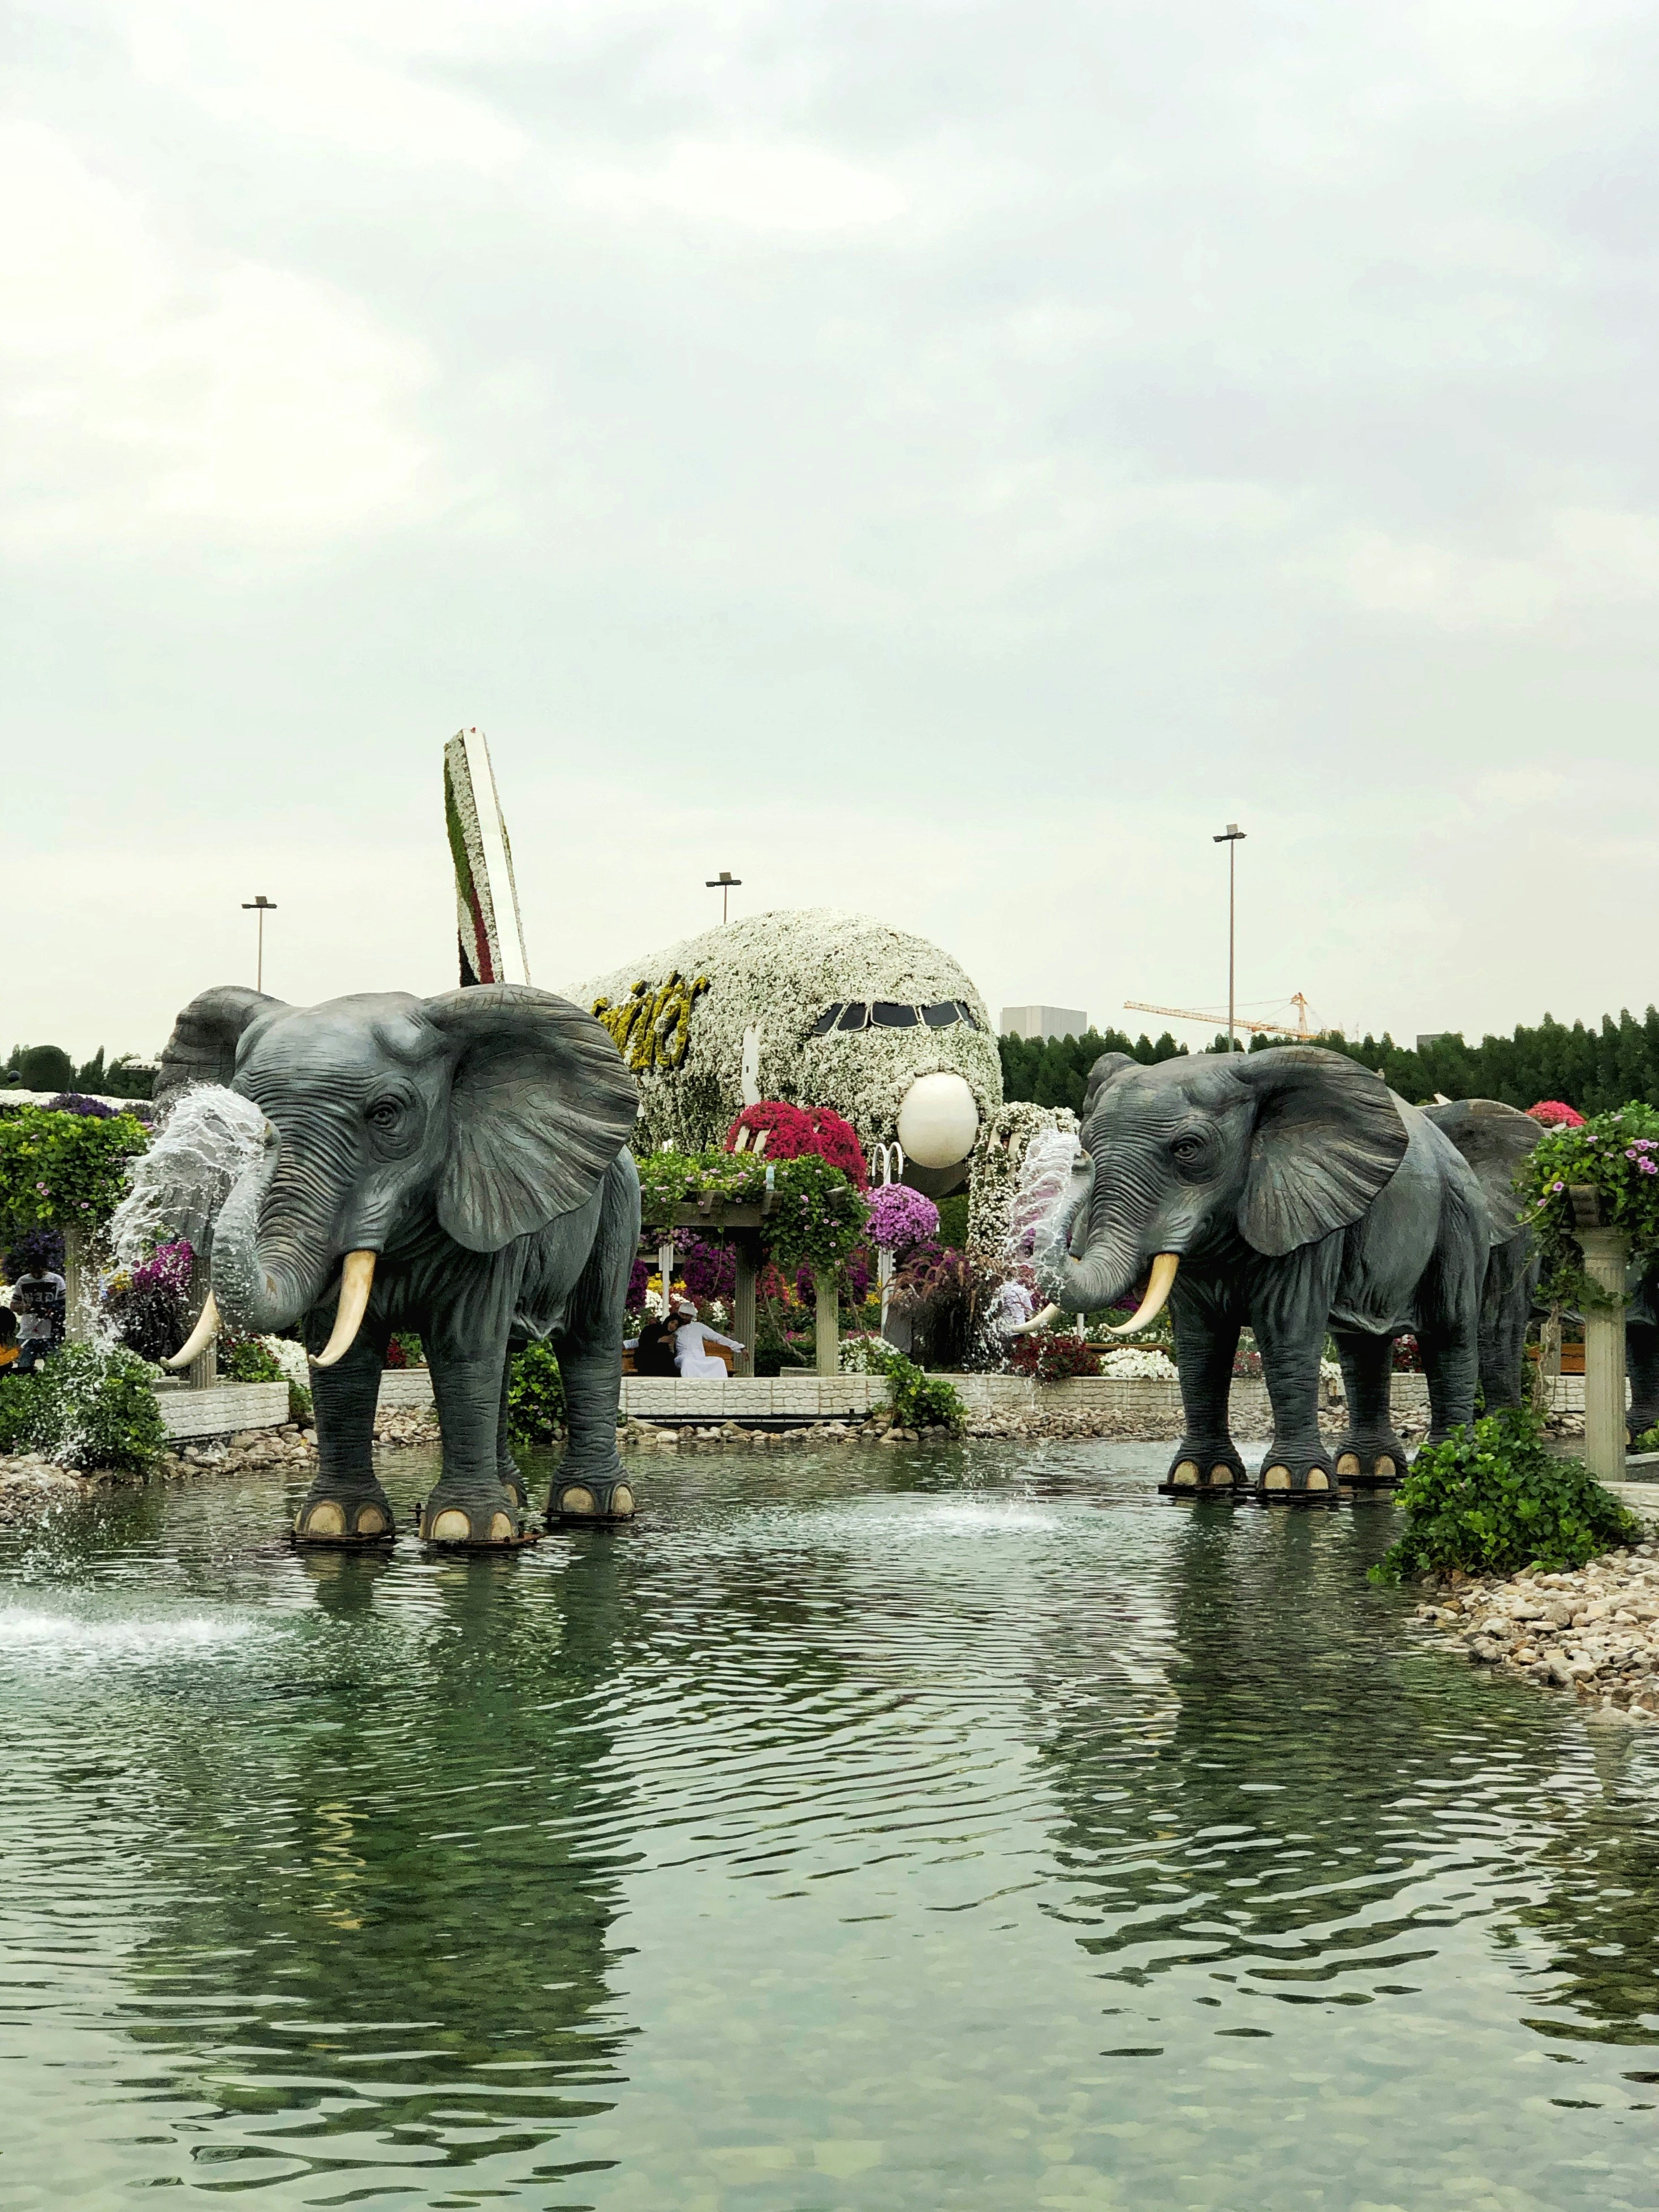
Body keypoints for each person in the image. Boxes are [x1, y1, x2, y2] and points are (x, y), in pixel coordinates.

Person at [10, 1265, 66, 1373]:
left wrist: (52, 1309)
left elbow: (65, 1303)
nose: (36, 1274)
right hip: (27, 1333)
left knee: (55, 1371)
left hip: (50, 1334)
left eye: (40, 1271)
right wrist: (24, 1307)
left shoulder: (56, 1280)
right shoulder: (23, 1281)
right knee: (24, 1370)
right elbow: (13, 1306)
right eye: (33, 1271)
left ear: (45, 1268)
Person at [673, 1298, 744, 1379]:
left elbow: (718, 1338)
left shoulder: (699, 1327)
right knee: (688, 1362)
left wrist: (740, 1347)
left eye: (687, 1315)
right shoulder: (674, 1328)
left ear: (692, 1316)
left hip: (701, 1358)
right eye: (683, 1314)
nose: (685, 1317)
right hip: (683, 1358)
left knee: (719, 1361)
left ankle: (720, 1387)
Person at [626, 1312, 680, 1377]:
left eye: (676, 1325)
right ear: (668, 1321)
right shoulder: (651, 1329)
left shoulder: (672, 1337)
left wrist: (671, 1347)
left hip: (663, 1365)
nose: (673, 1326)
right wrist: (659, 1340)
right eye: (672, 1322)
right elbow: (643, 1344)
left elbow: (672, 1357)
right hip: (647, 1360)